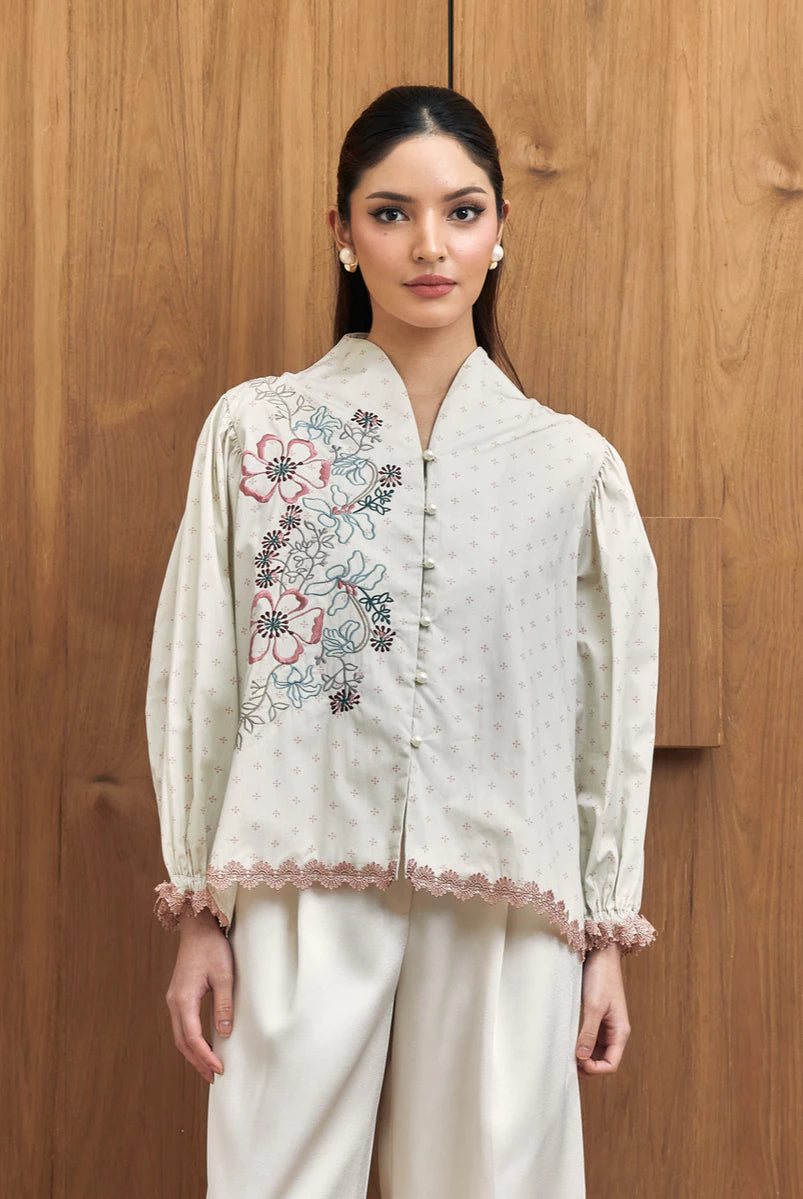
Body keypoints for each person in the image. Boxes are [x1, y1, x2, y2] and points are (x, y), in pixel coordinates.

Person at [146, 84, 659, 1199]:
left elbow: (604, 711)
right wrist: (198, 910)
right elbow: (203, 671)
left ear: (498, 230)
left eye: (461, 211)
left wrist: (605, 929)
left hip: (508, 893)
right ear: (341, 233)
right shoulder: (259, 429)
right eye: (389, 213)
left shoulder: (569, 465)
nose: (428, 245)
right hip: (295, 869)